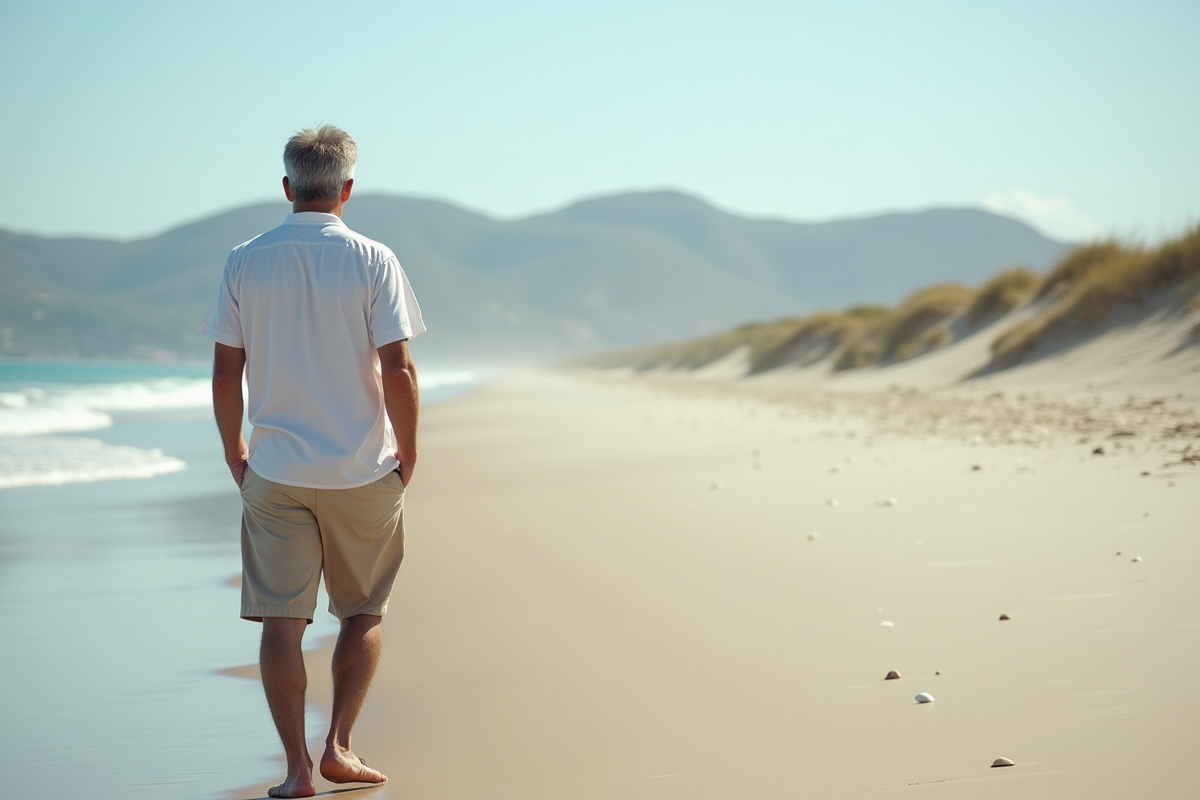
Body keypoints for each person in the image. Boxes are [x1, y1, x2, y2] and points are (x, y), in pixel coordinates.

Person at [199, 125, 424, 798]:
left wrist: (233, 450)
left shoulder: (245, 259)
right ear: (348, 189)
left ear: (288, 187)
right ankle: (340, 749)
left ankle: (296, 771)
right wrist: (407, 452)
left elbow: (223, 374)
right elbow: (399, 371)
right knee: (362, 613)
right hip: (361, 468)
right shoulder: (373, 258)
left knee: (281, 621)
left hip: (275, 471)